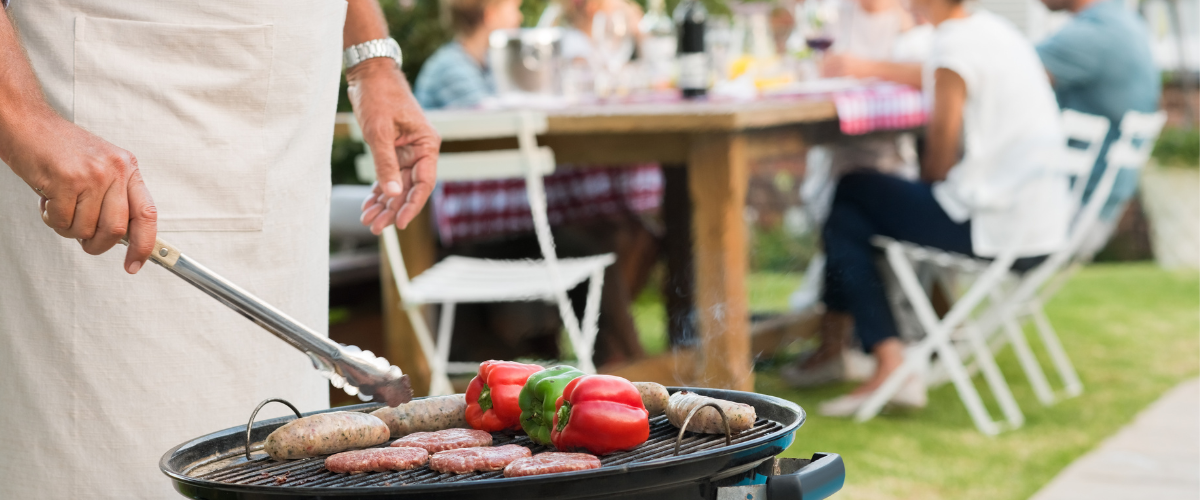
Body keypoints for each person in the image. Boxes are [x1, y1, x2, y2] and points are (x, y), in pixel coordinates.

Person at [0, 0, 439, 497]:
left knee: (281, 440)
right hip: (113, 91)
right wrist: (26, 118)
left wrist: (372, 60)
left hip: (292, 131)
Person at [813, 0, 1072, 416]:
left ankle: (876, 358)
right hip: (1039, 226)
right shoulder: (995, 31)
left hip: (996, 227)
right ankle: (865, 356)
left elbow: (938, 161)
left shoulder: (952, 49)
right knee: (853, 210)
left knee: (851, 190)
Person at [412, 0, 658, 367]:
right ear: (491, 13)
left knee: (613, 231)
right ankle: (619, 362)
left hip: (493, 223)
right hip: (462, 233)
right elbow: (499, 133)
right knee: (592, 243)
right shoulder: (451, 69)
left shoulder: (485, 66)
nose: (518, 16)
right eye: (512, 8)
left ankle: (613, 357)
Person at [781, 0, 931, 388]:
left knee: (845, 209)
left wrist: (863, 67)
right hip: (840, 159)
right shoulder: (831, 15)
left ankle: (871, 354)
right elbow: (803, 59)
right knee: (843, 210)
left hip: (890, 165)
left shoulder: (914, 23)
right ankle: (860, 353)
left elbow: (934, 73)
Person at [1036, 0, 1160, 230]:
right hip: (1101, 204)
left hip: (1069, 208)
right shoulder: (1126, 23)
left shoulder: (1092, 34)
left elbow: (1008, 80)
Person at [414, 0, 524, 109]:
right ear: (490, 15)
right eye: (515, 9)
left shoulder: (487, 61)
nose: (520, 17)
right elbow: (488, 117)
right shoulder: (450, 68)